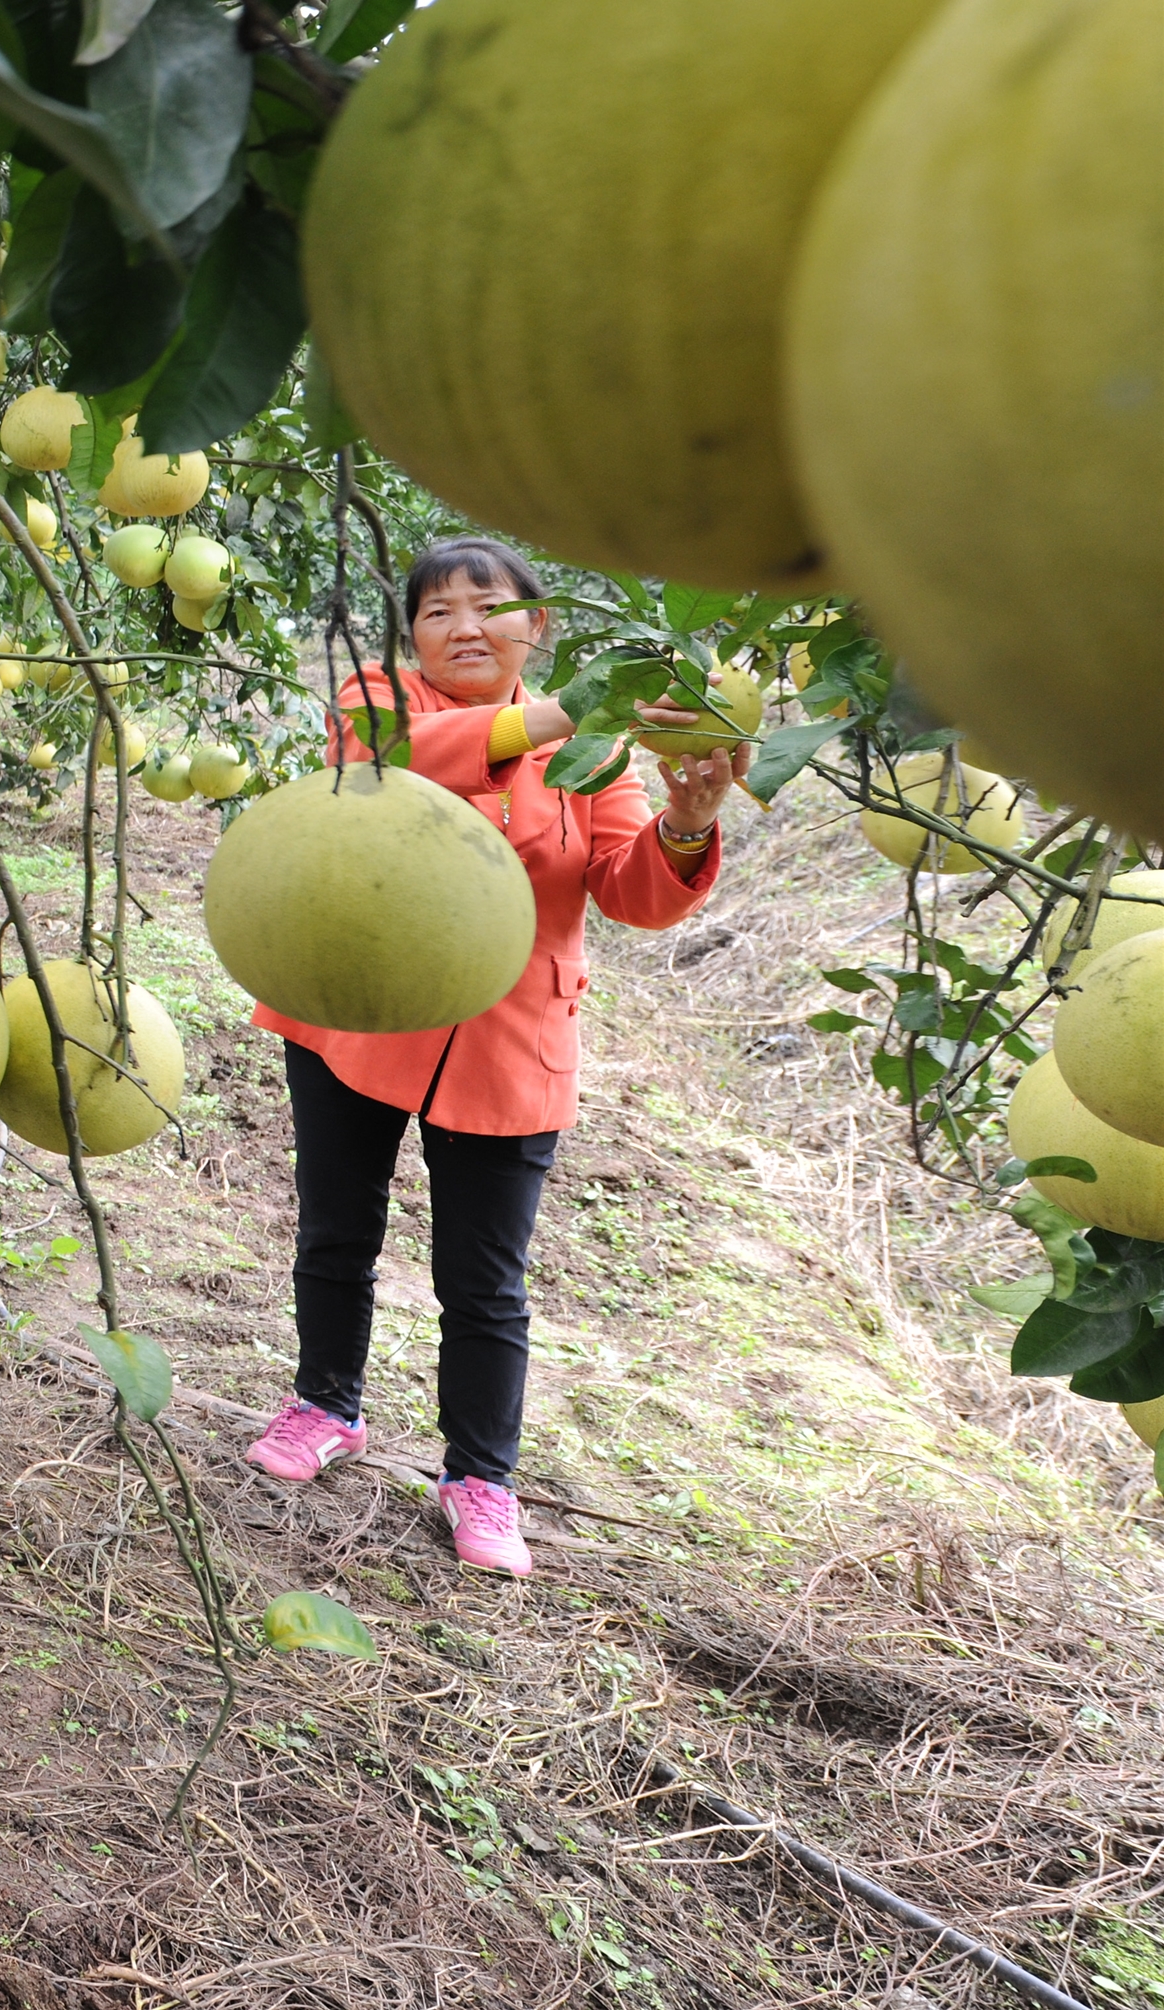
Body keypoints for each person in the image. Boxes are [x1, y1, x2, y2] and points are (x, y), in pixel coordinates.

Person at [241, 536, 746, 1578]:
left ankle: (480, 1475)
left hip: (508, 1038)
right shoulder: (380, 700)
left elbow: (630, 891)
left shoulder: (595, 757)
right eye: (438, 612)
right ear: (411, 635)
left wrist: (686, 823)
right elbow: (388, 766)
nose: (464, 627)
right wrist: (572, 711)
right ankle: (325, 1403)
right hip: (363, 1010)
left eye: (488, 606)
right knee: (337, 1229)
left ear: (537, 623)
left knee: (484, 1279)